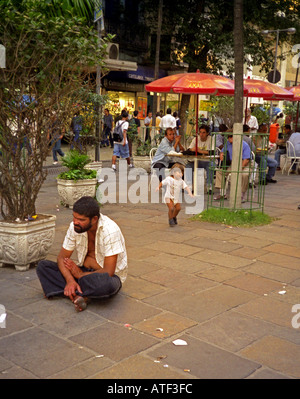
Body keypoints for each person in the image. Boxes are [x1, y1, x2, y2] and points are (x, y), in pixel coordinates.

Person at [36, 196, 127, 312]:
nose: (75, 222)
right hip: (82, 272)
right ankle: (81, 293)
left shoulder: (110, 230)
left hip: (105, 276)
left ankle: (73, 292)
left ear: (94, 219)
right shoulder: (74, 227)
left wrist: (80, 275)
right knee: (43, 267)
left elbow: (109, 271)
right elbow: (62, 257)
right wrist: (70, 280)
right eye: (74, 217)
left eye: (81, 220)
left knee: (105, 284)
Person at [214, 134, 251, 202]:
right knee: (219, 171)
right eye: (228, 137)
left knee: (244, 175)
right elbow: (222, 151)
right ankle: (222, 193)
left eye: (231, 137)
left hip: (244, 164)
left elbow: (246, 160)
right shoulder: (228, 143)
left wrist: (240, 169)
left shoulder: (244, 145)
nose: (229, 138)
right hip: (232, 163)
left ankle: (241, 195)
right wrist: (222, 154)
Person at [185, 125, 216, 194]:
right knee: (188, 166)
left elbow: (213, 152)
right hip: (196, 161)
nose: (201, 134)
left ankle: (209, 187)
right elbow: (189, 149)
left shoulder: (211, 139)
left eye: (203, 132)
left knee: (211, 166)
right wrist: (191, 149)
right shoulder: (196, 139)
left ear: (207, 133)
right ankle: (189, 187)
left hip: (207, 161)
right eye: (200, 132)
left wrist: (200, 151)